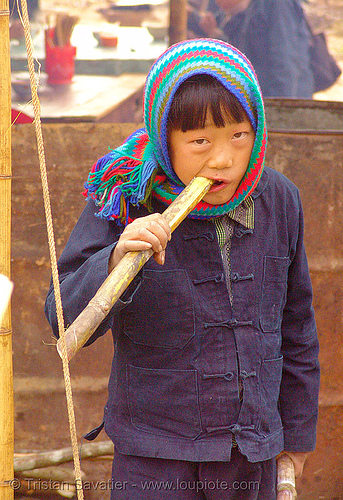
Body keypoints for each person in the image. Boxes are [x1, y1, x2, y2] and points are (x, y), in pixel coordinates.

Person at [45, 39, 320, 499]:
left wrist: (296, 437)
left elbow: (297, 326)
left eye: (239, 134)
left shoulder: (280, 199)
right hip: (156, 457)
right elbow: (62, 316)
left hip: (250, 454)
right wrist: (116, 257)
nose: (223, 158)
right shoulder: (127, 197)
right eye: (199, 142)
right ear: (163, 137)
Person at [187, 0, 315, 98]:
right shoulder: (245, 11)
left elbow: (285, 61)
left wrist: (279, 108)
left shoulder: (277, 5)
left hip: (280, 102)